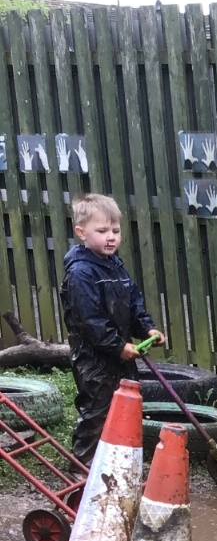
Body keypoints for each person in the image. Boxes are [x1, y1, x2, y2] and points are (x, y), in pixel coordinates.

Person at [60, 194, 164, 461]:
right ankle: (83, 465)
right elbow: (89, 320)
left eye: (115, 231)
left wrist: (147, 329)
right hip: (93, 358)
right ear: (81, 233)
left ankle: (116, 459)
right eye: (102, 231)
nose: (111, 238)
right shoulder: (81, 273)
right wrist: (117, 346)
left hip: (121, 354)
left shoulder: (115, 266)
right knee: (97, 409)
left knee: (126, 404)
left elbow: (133, 303)